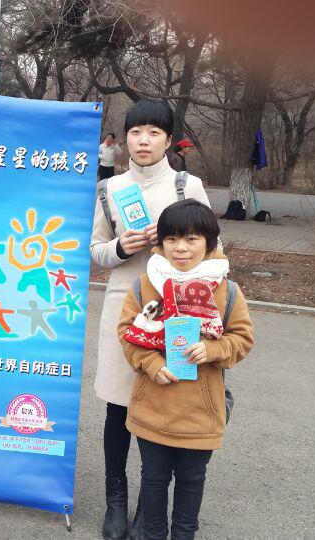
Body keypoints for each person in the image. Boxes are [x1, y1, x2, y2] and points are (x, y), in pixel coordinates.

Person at [90, 100, 215, 540]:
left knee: (160, 402)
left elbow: (212, 247)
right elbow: (95, 249)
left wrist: (172, 251)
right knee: (118, 404)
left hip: (176, 308)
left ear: (168, 139)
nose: (143, 141)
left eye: (154, 133)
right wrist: (121, 247)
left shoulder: (187, 186)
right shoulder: (109, 188)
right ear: (124, 138)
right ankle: (116, 502)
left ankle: (149, 503)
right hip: (124, 303)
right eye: (135, 132)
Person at [118, 199, 254, 540]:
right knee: (153, 479)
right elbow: (127, 334)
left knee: (192, 480)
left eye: (191, 239)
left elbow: (242, 339)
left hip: (200, 412)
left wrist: (213, 350)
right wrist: (151, 363)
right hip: (154, 407)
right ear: (161, 242)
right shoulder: (145, 284)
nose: (180, 247)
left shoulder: (227, 290)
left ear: (209, 242)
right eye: (172, 239)